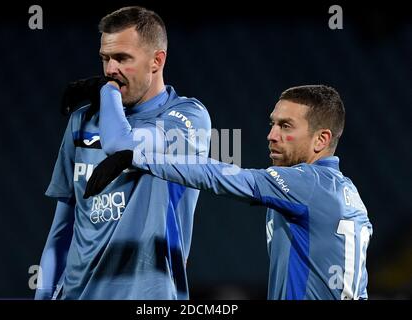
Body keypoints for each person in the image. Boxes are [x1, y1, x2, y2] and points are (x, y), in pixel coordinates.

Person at [84, 85, 373, 300]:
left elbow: (220, 175)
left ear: (321, 139)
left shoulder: (306, 184)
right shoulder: (348, 193)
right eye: (272, 123)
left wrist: (137, 156)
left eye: (286, 126)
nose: (271, 135)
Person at [36, 6, 211, 300]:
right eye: (105, 59)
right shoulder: (82, 121)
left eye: (122, 59)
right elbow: (61, 231)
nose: (110, 71)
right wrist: (42, 295)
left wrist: (107, 92)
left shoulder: (186, 118)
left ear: (157, 61)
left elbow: (122, 147)